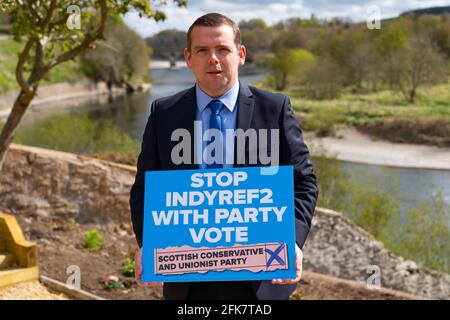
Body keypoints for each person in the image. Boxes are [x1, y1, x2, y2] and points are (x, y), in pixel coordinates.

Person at [130, 12, 318, 300]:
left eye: (222, 49)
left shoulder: (275, 108)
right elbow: (144, 188)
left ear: (240, 54)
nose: (213, 59)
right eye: (202, 51)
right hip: (188, 278)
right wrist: (148, 242)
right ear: (188, 57)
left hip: (261, 277)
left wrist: (292, 240)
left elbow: (304, 182)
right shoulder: (163, 113)